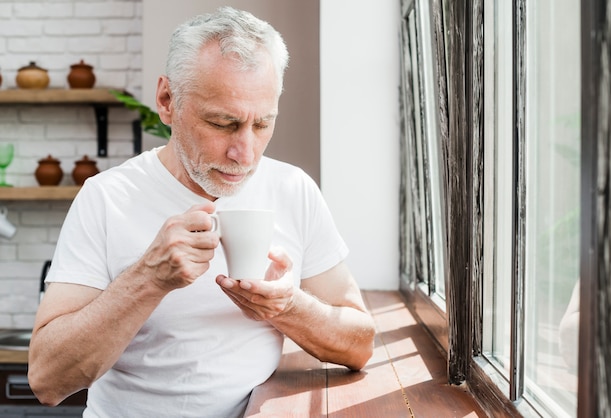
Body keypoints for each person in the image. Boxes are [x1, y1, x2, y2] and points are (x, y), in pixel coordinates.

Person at [28, 7, 375, 418]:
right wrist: (148, 279)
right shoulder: (106, 197)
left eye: (262, 124)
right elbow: (48, 380)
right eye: (223, 123)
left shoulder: (292, 189)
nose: (244, 154)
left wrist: (287, 307)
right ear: (167, 100)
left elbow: (360, 343)